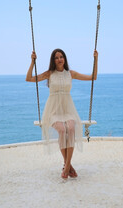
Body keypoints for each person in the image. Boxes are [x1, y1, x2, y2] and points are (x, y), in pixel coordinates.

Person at [26, 49, 98, 179]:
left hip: (68, 109)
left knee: (70, 129)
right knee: (61, 130)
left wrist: (96, 59)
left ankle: (66, 166)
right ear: (53, 61)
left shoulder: (71, 74)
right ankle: (68, 166)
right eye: (56, 57)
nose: (59, 59)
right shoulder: (49, 74)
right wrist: (32, 62)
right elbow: (29, 78)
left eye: (61, 57)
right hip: (53, 110)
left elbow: (93, 77)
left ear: (64, 59)